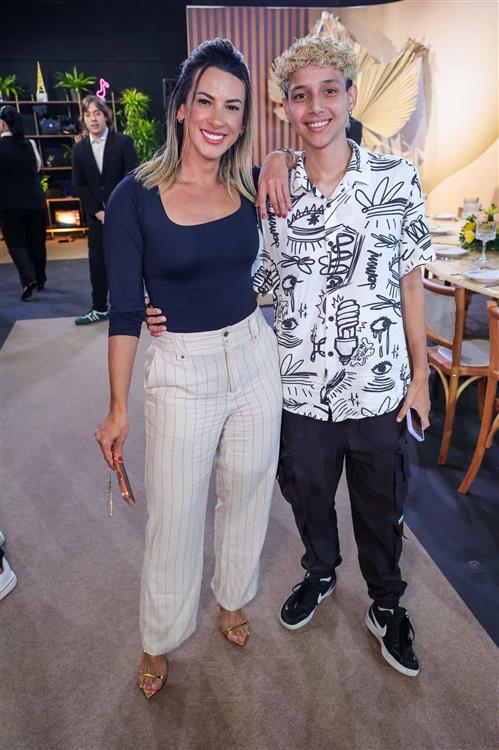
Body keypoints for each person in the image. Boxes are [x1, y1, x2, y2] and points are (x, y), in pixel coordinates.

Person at [95, 39, 282, 699]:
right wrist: (118, 407)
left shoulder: (249, 182)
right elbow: (124, 310)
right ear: (180, 106)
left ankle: (232, 598)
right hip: (181, 370)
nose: (217, 118)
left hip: (254, 357)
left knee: (248, 493)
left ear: (243, 118)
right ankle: (159, 635)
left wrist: (281, 156)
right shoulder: (134, 197)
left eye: (233, 106)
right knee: (174, 517)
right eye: (206, 101)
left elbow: (311, 162)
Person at [255, 35, 434, 678]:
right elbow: (255, 281)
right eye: (301, 96)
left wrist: (421, 375)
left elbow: (411, 282)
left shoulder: (395, 180)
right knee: (307, 494)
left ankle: (385, 604)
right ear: (286, 108)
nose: (316, 108)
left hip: (378, 385)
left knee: (381, 504)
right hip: (300, 389)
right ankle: (321, 572)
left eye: (329, 91)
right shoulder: (273, 192)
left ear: (351, 96)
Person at [72, 95, 138, 325]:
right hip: (96, 218)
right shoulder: (79, 149)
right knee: (97, 264)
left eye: (97, 113)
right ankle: (99, 308)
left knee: (128, 262)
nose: (93, 118)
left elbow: (133, 178)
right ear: (83, 119)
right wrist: (97, 212)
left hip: (123, 217)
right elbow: (79, 184)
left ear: (106, 116)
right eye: (88, 114)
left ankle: (133, 306)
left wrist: (116, 211)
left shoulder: (123, 143)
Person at [0, 105, 47, 300]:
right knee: (37, 242)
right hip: (35, 201)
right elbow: (38, 167)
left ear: (3, 124)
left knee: (17, 244)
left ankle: (29, 280)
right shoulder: (30, 144)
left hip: (9, 204)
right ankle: (40, 278)